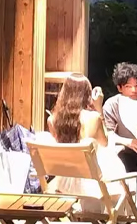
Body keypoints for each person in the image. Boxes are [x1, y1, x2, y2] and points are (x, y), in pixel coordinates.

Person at [46, 73, 125, 210]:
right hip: (92, 182)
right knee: (112, 162)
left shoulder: (52, 120)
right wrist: (98, 108)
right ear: (87, 95)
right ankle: (112, 214)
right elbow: (104, 143)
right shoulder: (93, 118)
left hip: (64, 182)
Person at [102, 62, 137, 173]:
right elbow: (108, 134)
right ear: (119, 88)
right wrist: (128, 142)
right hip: (123, 152)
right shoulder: (112, 105)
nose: (134, 90)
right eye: (128, 86)